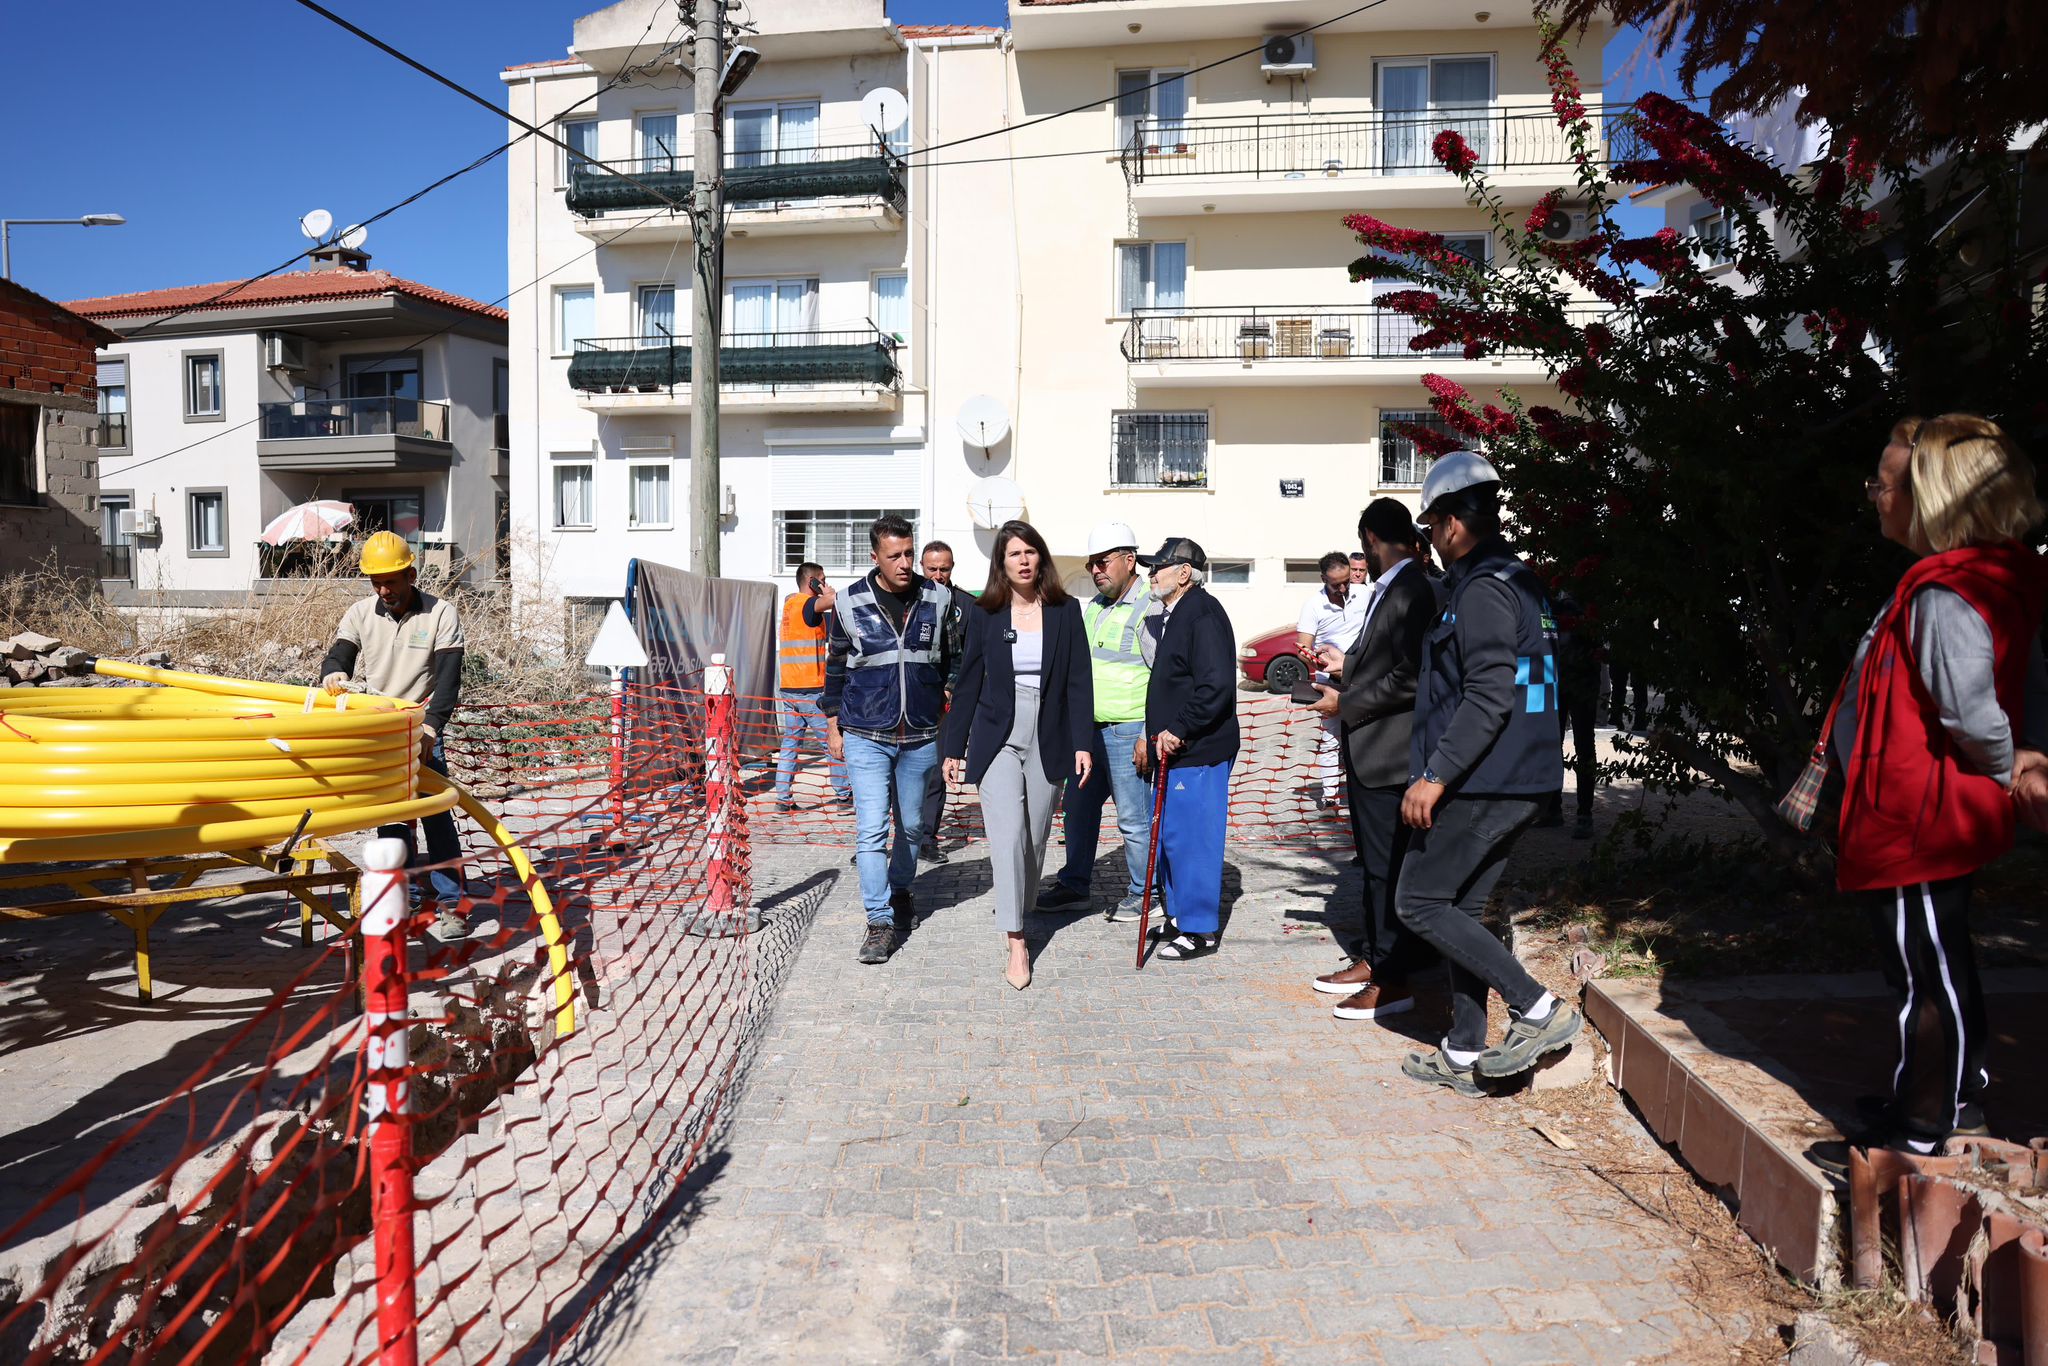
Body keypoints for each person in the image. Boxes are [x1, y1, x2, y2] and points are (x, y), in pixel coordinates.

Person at [1793, 414, 2047, 1155]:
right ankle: (1945, 1090)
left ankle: (1928, 1124)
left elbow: (1970, 709)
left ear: (1934, 498)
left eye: (1886, 482)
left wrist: (2009, 769)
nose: (1874, 494)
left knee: (1924, 976)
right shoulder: (1969, 578)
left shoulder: (1944, 593)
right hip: (1922, 811)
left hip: (1921, 817)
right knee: (1938, 961)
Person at [1392, 451, 1580, 1097]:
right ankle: (1465, 1052)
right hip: (1516, 777)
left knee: (1416, 900)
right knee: (1462, 909)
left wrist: (1435, 775)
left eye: (1431, 529)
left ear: (1449, 524)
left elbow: (1489, 693)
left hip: (1486, 780)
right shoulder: (1517, 578)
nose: (1432, 544)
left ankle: (1538, 1008)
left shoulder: (1483, 589)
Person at [941, 521, 1094, 990]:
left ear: (1040, 558)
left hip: (1049, 731)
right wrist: (953, 747)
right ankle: (1016, 940)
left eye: (1030, 552)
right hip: (998, 735)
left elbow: (1078, 681)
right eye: (1014, 554)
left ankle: (1020, 901)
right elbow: (967, 684)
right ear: (1001, 564)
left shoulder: (1066, 611)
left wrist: (1083, 741)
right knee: (1006, 837)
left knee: (1033, 837)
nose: (1024, 560)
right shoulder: (986, 614)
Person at [1308, 499, 1441, 1021]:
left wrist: (1348, 700)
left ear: (1368, 538)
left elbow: (1411, 675)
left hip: (1388, 754)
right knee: (1376, 870)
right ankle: (1377, 958)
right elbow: (1387, 662)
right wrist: (1348, 664)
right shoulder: (1397, 588)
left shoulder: (1411, 589)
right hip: (1374, 751)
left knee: (1387, 871)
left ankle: (1393, 979)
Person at [822, 515, 964, 965]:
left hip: (921, 734)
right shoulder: (847, 601)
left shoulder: (938, 598)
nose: (905, 563)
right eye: (895, 556)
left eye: (909, 553)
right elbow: (836, 666)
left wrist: (947, 689)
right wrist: (832, 724)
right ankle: (879, 921)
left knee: (913, 828)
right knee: (870, 832)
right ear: (874, 557)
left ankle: (901, 889)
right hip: (866, 732)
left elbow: (955, 656)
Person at [318, 531, 467, 939]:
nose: (385, 590)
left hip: (421, 725)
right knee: (392, 819)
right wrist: (334, 672)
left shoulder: (441, 614)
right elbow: (339, 656)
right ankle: (404, 897)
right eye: (377, 582)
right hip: (385, 730)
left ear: (411, 575)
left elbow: (449, 681)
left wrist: (431, 732)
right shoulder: (360, 613)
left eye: (392, 582)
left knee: (436, 815)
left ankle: (452, 904)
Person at [1039, 521, 1163, 923]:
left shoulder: (1152, 606)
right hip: (1088, 733)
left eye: (1103, 562)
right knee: (1077, 811)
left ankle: (1147, 893)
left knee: (1133, 819)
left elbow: (1164, 678)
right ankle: (1074, 885)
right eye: (1092, 563)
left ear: (1130, 560)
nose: (1095, 570)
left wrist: (1149, 732)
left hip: (1129, 732)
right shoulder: (1095, 607)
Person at [1137, 537, 1241, 961]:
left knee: (1195, 840)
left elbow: (1215, 684)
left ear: (1183, 573)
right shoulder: (1175, 612)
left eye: (1158, 567)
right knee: (1173, 839)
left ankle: (1200, 930)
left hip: (1198, 748)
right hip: (1175, 749)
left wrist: (1178, 728)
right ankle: (1180, 916)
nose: (1150, 574)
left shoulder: (1202, 612)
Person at [917, 540, 977, 864]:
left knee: (938, 771)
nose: (939, 575)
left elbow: (969, 656)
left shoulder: (966, 605)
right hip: (910, 702)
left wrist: (952, 687)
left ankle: (927, 837)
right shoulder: (909, 601)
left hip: (948, 703)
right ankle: (891, 840)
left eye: (945, 569)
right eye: (932, 569)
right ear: (922, 568)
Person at [775, 562, 852, 810]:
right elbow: (835, 600)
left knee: (789, 745)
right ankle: (843, 796)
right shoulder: (809, 604)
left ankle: (782, 799)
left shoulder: (790, 604)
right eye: (822, 578)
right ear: (812, 583)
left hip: (788, 689)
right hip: (811, 690)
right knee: (832, 743)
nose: (825, 582)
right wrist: (827, 590)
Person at [1296, 551, 1367, 807]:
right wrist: (1318, 661)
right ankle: (1329, 797)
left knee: (1364, 734)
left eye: (1347, 580)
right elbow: (1303, 648)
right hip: (1330, 683)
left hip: (1363, 678)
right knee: (1330, 738)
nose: (1344, 587)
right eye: (1336, 583)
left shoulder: (1364, 594)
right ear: (1323, 578)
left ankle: (1362, 789)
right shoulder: (1313, 606)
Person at [1540, 587, 1600, 838]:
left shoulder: (1594, 590)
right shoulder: (1549, 590)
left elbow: (1597, 637)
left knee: (1584, 745)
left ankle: (1584, 813)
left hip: (1582, 680)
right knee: (1551, 744)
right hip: (1555, 678)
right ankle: (1553, 808)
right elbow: (1543, 634)